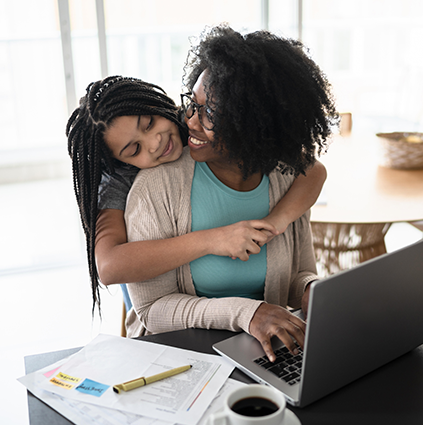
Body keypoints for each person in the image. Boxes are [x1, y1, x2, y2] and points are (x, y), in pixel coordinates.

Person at [124, 25, 337, 362]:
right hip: (181, 356)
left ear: (254, 122)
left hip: (266, 351)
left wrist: (312, 290)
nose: (190, 121)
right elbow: (153, 310)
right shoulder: (158, 186)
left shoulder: (285, 179)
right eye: (192, 105)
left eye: (210, 113)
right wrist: (248, 313)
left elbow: (297, 275)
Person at [66, 75, 328, 313]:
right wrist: (213, 240)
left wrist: (275, 221)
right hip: (160, 302)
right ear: (120, 161)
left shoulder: (194, 120)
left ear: (157, 104)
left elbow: (312, 170)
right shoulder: (119, 180)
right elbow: (110, 266)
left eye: (148, 123)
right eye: (135, 150)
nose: (155, 142)